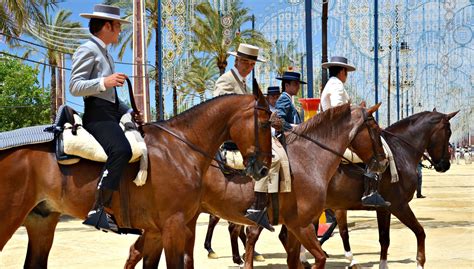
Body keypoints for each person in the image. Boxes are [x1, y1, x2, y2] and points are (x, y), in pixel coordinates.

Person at [69, 4, 143, 233]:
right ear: (107, 26)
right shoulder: (87, 49)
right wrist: (105, 82)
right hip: (97, 115)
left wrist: (129, 111)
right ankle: (98, 209)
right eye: (118, 26)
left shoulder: (105, 53)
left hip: (110, 112)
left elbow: (110, 97)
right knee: (121, 150)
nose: (120, 31)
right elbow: (74, 86)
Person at [213, 43, 275, 231]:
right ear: (237, 60)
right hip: (231, 141)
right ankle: (257, 206)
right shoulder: (226, 80)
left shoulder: (243, 83)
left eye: (252, 64)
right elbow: (219, 108)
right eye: (246, 63)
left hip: (245, 137)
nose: (249, 67)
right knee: (271, 160)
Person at [321, 56, 390, 207]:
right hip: (339, 134)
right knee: (372, 152)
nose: (346, 76)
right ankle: (369, 193)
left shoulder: (331, 84)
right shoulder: (337, 85)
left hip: (334, 132)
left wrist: (358, 107)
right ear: (342, 71)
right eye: (346, 72)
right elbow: (340, 111)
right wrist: (359, 111)